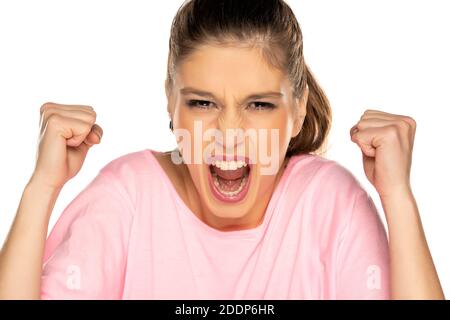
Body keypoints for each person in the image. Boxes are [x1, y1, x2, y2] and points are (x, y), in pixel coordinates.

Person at [0, 0, 444, 299]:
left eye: (259, 104)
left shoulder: (329, 203)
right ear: (170, 100)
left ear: (298, 108)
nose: (229, 134)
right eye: (202, 102)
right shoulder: (128, 196)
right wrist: (42, 186)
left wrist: (398, 198)